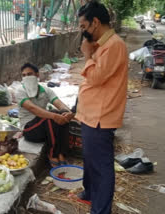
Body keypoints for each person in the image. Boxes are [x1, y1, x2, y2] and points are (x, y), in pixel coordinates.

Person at [76, 1, 128, 214]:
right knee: (90, 158)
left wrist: (87, 56)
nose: (82, 31)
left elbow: (96, 78)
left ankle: (101, 210)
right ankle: (90, 193)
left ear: (95, 23)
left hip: (101, 116)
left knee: (101, 167)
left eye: (83, 26)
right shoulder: (103, 44)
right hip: (91, 114)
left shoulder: (114, 45)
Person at [16, 63, 74, 166]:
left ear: (37, 75)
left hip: (44, 129)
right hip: (29, 130)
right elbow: (32, 108)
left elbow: (59, 104)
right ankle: (52, 154)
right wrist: (55, 116)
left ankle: (61, 153)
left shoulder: (46, 90)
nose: (27, 77)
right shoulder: (20, 91)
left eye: (29, 74)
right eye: (24, 75)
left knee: (62, 114)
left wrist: (69, 113)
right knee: (50, 116)